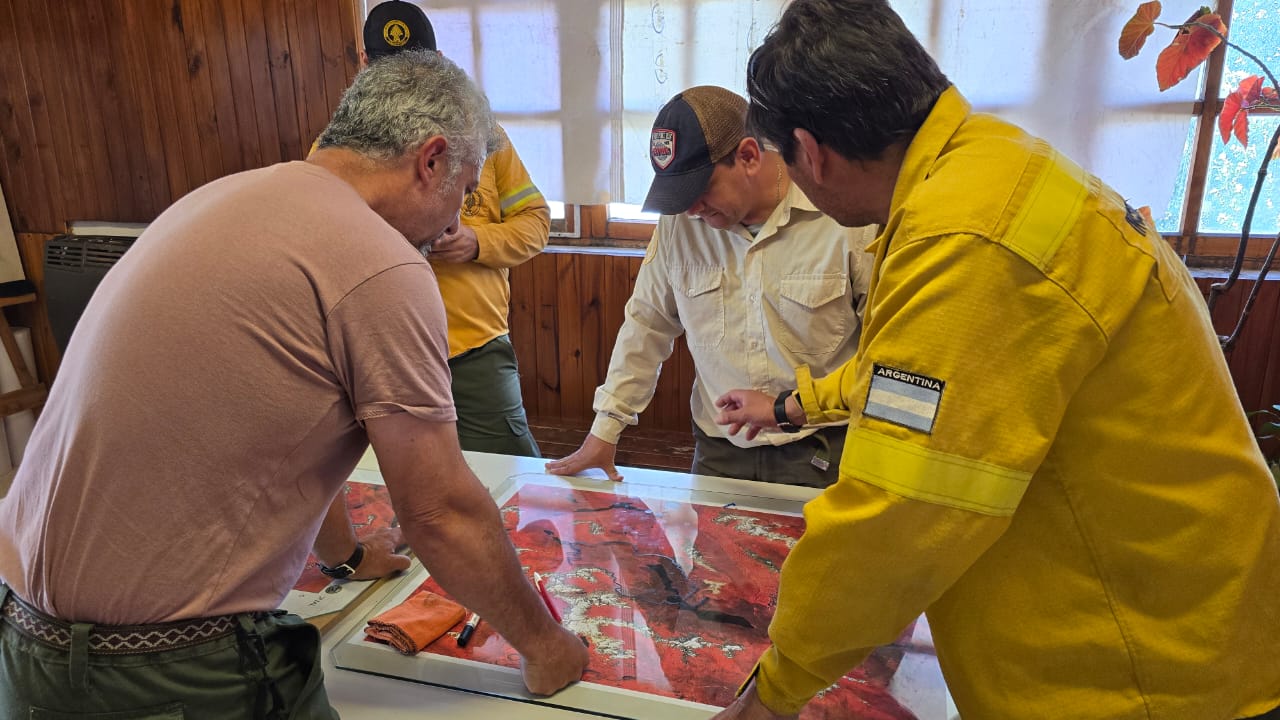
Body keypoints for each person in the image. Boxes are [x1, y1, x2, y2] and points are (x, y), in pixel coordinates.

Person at [711, 1, 1280, 718]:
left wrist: (776, 688)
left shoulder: (967, 237)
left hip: (1150, 675)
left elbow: (897, 513)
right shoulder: (990, 171)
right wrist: (797, 404)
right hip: (1176, 627)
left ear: (808, 151)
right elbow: (923, 378)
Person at [0, 50, 588, 718]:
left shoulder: (224, 196)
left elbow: (286, 430)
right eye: (463, 188)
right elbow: (440, 513)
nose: (456, 220)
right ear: (430, 161)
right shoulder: (381, 261)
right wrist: (545, 645)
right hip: (163, 665)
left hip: (23, 642)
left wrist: (343, 556)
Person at [545, 85, 876, 487]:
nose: (691, 210)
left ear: (749, 157)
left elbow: (884, 351)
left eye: (699, 190)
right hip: (720, 450)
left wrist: (794, 407)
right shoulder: (681, 225)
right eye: (678, 197)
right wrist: (605, 430)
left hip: (823, 447)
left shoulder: (842, 218)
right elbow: (646, 325)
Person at [364, 0, 549, 457]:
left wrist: (475, 242)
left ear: (440, 63)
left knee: (512, 471)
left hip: (477, 350)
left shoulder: (486, 135)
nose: (404, 87)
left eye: (418, 71)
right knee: (403, 489)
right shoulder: (341, 151)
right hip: (387, 356)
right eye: (390, 74)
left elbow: (536, 223)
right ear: (365, 66)